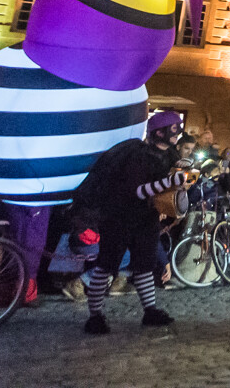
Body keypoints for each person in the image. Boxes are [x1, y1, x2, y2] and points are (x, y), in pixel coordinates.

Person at [73, 111, 188, 334]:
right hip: (119, 217)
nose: (177, 134)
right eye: (173, 129)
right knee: (106, 267)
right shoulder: (138, 156)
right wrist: (169, 182)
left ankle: (150, 310)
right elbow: (138, 190)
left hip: (146, 219)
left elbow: (163, 188)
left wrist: (178, 188)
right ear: (159, 132)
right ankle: (95, 315)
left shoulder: (169, 155)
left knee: (144, 267)